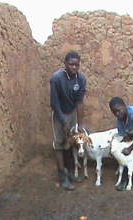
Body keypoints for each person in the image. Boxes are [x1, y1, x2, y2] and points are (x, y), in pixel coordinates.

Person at [50, 51, 87, 190]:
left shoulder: (81, 79)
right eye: (71, 64)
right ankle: (62, 176)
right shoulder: (56, 78)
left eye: (77, 65)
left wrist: (80, 124)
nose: (74, 67)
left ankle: (71, 173)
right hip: (59, 112)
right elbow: (54, 103)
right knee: (59, 144)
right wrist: (63, 122)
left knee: (71, 142)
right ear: (65, 64)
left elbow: (79, 102)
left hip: (71, 113)